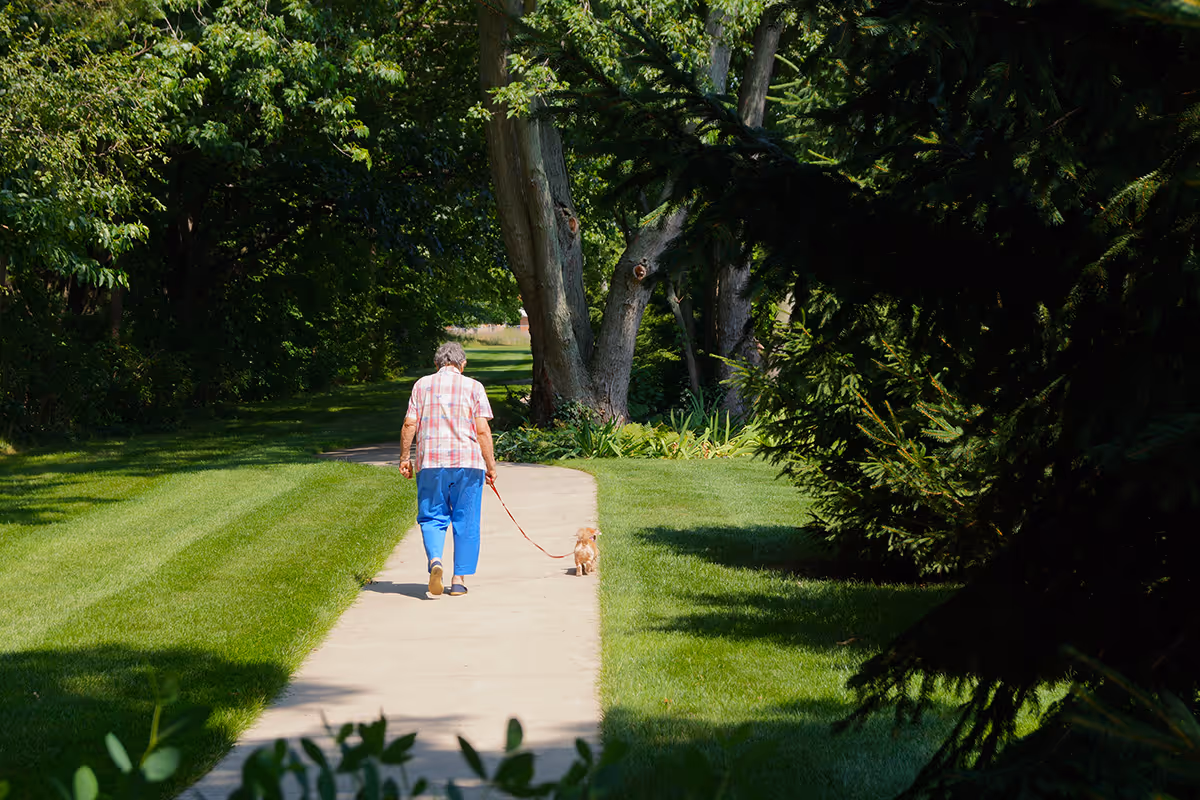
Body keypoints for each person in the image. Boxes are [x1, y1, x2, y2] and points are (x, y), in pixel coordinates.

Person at [398, 342, 498, 597]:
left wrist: (404, 458)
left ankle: (435, 561)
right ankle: (458, 581)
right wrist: (491, 465)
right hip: (467, 463)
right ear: (462, 365)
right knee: (466, 520)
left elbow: (410, 424)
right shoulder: (474, 387)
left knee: (432, 516)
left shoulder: (422, 385)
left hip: (431, 462)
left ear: (437, 364)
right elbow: (482, 430)